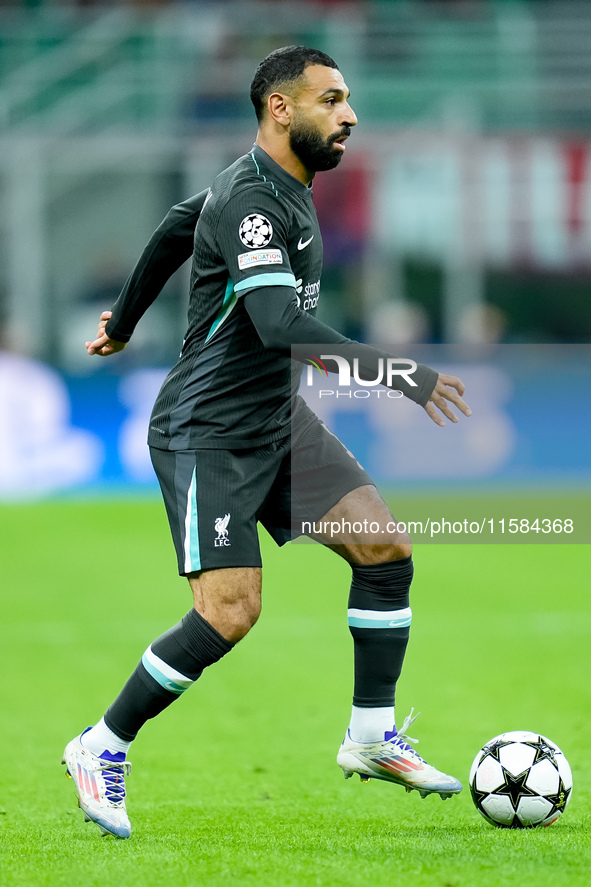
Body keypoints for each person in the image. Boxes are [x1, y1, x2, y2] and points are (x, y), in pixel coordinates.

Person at [63, 46, 471, 839]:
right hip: (207, 429)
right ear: (280, 109)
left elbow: (175, 226)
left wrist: (124, 318)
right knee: (228, 612)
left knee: (383, 548)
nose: (348, 113)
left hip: (275, 421)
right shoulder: (253, 198)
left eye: (347, 99)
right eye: (331, 99)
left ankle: (369, 736)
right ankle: (100, 743)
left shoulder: (276, 185)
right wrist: (399, 372)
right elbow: (278, 324)